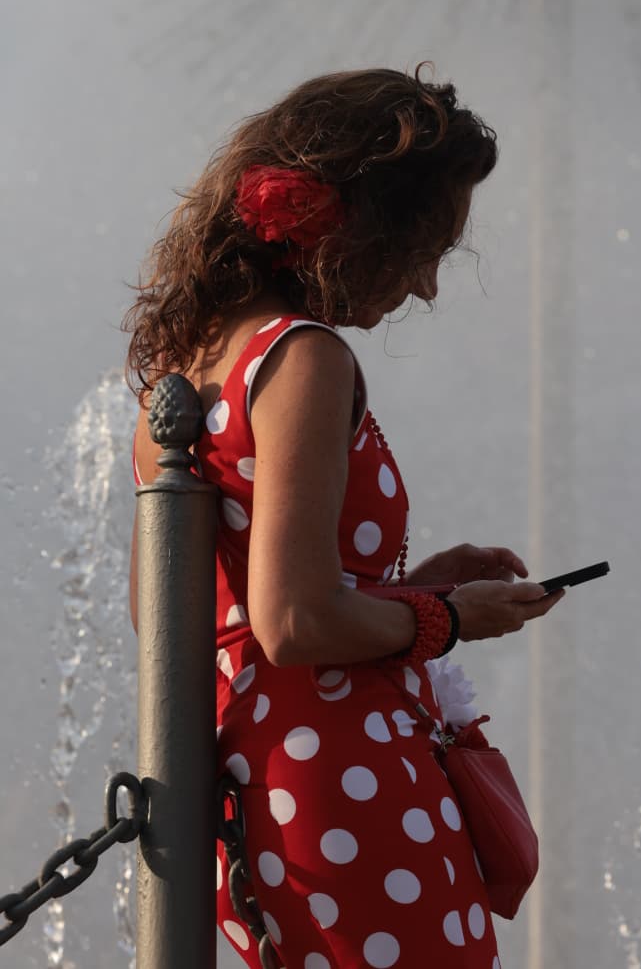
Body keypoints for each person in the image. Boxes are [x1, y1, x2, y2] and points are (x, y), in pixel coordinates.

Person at [124, 67, 565, 969]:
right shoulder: (304, 359)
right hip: (344, 778)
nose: (431, 287)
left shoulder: (192, 362)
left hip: (256, 782)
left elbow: (189, 618)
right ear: (362, 227)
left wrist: (398, 589)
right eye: (428, 248)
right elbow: (295, 623)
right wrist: (448, 619)